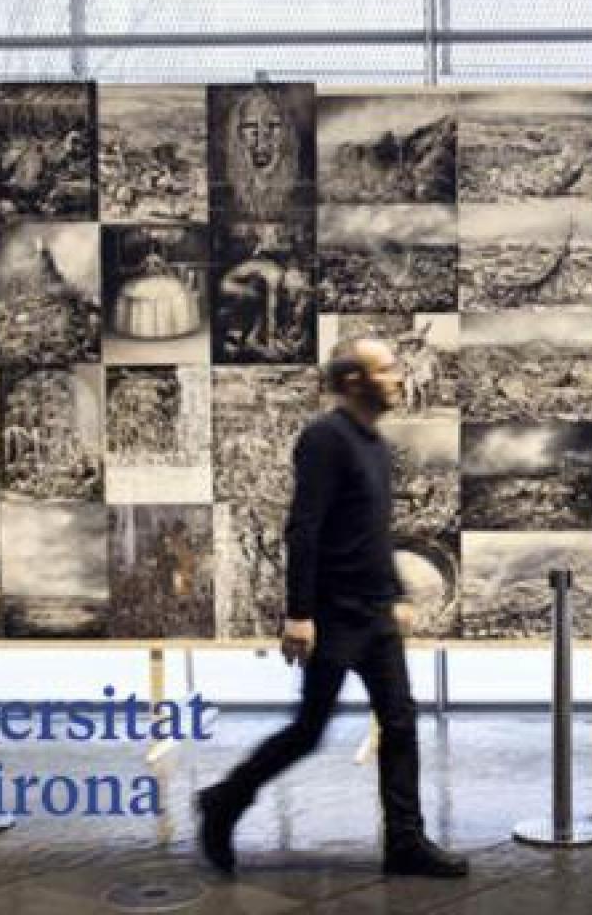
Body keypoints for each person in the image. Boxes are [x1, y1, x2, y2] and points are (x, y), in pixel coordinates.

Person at [196, 337, 469, 880]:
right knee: (309, 729)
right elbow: (305, 528)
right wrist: (300, 614)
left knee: (399, 722)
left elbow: (371, 532)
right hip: (336, 614)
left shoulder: (372, 442)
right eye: (387, 369)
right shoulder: (325, 439)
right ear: (353, 382)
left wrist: (394, 596)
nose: (398, 377)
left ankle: (406, 843)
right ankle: (225, 800)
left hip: (374, 614)